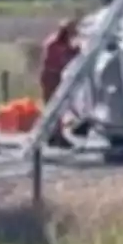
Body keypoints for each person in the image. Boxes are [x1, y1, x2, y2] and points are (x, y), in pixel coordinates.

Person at [40, 18, 79, 148]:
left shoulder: (62, 44)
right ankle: (55, 135)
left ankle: (54, 135)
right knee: (54, 107)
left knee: (58, 108)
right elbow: (61, 59)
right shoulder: (54, 44)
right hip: (51, 76)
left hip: (56, 76)